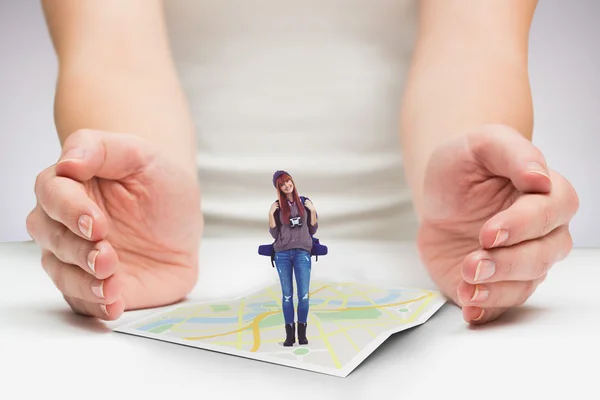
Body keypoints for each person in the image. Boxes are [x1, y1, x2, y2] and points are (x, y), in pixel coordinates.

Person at [26, 0, 579, 325]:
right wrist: (124, 198)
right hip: (165, 267)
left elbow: (475, 45)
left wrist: (479, 197)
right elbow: (109, 52)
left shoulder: (304, 209)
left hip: (419, 274)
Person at [268, 170, 318, 346]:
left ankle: (302, 333)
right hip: (282, 255)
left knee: (303, 295)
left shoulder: (305, 203)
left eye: (288, 181)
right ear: (279, 188)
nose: (286, 185)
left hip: (302, 253)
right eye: (282, 184)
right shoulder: (277, 206)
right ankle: (289, 335)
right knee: (287, 295)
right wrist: (270, 215)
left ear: (292, 182)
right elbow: (275, 234)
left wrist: (312, 211)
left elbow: (312, 230)